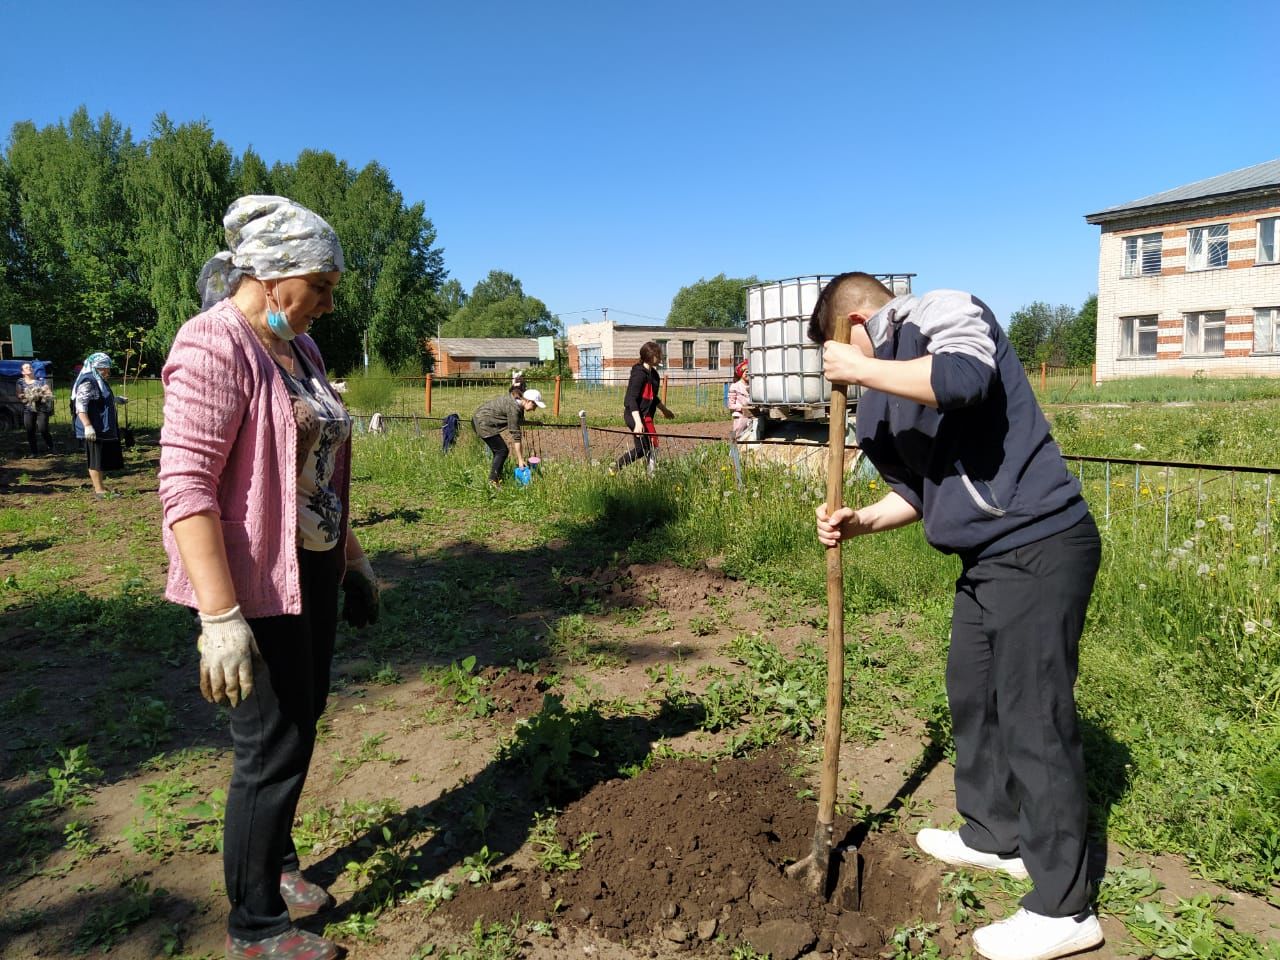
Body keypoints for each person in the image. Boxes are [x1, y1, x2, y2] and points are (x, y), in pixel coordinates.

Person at [810, 273, 1103, 960]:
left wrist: (860, 365)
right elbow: (918, 491)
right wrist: (860, 522)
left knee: (1034, 714)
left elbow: (965, 378)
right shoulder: (879, 401)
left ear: (856, 320)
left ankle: (1065, 907)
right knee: (972, 693)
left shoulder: (942, 311)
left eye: (834, 351)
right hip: (984, 561)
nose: (838, 375)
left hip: (1040, 540)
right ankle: (994, 835)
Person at [158, 195, 381, 960]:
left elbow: (319, 469)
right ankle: (254, 926)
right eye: (319, 284)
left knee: (303, 718)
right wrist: (219, 619)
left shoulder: (303, 351)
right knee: (270, 747)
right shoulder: (214, 344)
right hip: (254, 585)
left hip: (310, 568)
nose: (326, 302)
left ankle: (278, 863)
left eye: (330, 288)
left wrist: (352, 559)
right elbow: (186, 487)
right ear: (272, 272)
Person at [612, 341, 675, 474]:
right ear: (650, 356)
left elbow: (652, 397)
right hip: (634, 415)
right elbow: (632, 399)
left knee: (652, 446)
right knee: (641, 449)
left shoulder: (654, 375)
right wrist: (638, 423)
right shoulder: (639, 374)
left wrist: (664, 410)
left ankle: (651, 476)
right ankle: (614, 468)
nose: (660, 357)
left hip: (645, 417)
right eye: (658, 355)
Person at [72, 352, 126, 497]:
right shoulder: (88, 381)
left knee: (100, 457)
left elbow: (98, 397)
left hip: (101, 425)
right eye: (104, 368)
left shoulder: (99, 380)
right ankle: (99, 490)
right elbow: (80, 406)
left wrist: (116, 399)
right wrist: (87, 426)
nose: (107, 371)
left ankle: (101, 486)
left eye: (108, 368)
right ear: (95, 367)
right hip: (93, 426)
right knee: (95, 458)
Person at [471, 386, 546, 485]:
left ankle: (496, 477)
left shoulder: (517, 403)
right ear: (528, 401)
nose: (534, 410)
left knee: (499, 452)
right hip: (483, 423)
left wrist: (534, 423)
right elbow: (516, 435)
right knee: (502, 451)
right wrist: (520, 459)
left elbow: (517, 421)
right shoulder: (514, 408)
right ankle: (493, 482)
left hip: (480, 420)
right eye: (535, 406)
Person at [18, 361, 55, 456]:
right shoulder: (20, 382)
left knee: (43, 429)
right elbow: (19, 395)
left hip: (41, 408)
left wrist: (40, 394)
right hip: (28, 409)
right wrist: (28, 395)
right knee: (30, 430)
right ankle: (34, 452)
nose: (29, 368)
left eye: (30, 367)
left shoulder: (41, 380)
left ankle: (51, 447)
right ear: (23, 372)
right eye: (26, 367)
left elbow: (48, 392)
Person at [727, 358, 754, 441]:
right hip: (740, 417)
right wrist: (741, 408)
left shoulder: (753, 386)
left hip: (752, 417)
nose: (748, 374)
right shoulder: (735, 386)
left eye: (749, 372)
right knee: (736, 437)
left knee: (750, 438)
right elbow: (730, 405)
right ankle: (733, 452)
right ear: (741, 373)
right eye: (746, 372)